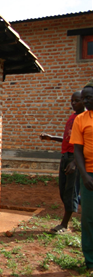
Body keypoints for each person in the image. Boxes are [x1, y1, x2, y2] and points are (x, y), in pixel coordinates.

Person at [40, 91, 84, 234]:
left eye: (76, 100)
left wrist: (76, 163)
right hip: (65, 156)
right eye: (72, 100)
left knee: (70, 192)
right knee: (64, 190)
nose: (73, 103)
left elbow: (85, 144)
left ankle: (64, 225)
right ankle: (85, 205)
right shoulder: (72, 117)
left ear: (84, 101)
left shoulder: (85, 119)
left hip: (74, 158)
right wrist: (52, 138)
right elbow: (69, 139)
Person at [70, 82, 93, 271]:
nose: (85, 102)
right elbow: (77, 148)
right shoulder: (81, 119)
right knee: (88, 218)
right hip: (89, 174)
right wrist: (84, 175)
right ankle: (90, 260)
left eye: (88, 97)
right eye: (83, 98)